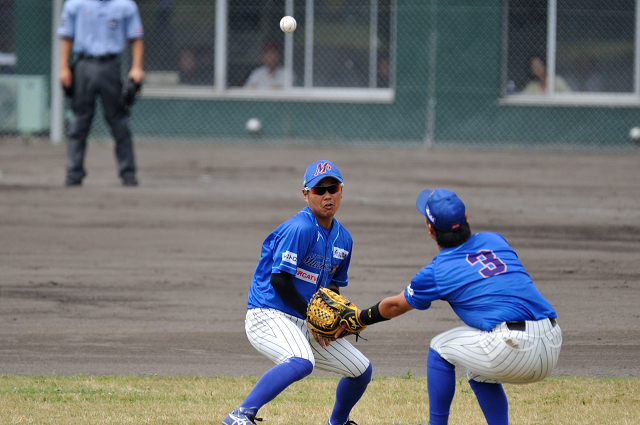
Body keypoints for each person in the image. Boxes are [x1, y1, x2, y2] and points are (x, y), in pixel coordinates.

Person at [348, 188, 562, 425]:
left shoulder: (438, 270)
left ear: (430, 230)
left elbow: (396, 306)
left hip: (512, 349)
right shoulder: (495, 239)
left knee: (439, 348)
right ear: (466, 220)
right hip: (552, 341)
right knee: (479, 372)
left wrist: (358, 318)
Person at [222, 160, 371, 425]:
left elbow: (332, 287)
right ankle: (239, 416)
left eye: (333, 188)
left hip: (304, 320)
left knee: (361, 370)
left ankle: (337, 422)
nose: (327, 195)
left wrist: (335, 319)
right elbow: (279, 280)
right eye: (319, 190)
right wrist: (313, 318)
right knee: (302, 361)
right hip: (268, 314)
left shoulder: (343, 239)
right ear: (306, 194)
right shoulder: (299, 229)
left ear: (341, 190)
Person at [58, 0, 145, 187]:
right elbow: (67, 37)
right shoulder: (75, 4)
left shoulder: (125, 6)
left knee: (119, 121)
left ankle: (128, 174)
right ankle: (73, 173)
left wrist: (137, 67)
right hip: (83, 65)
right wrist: (63, 67)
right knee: (79, 121)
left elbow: (136, 38)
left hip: (110, 66)